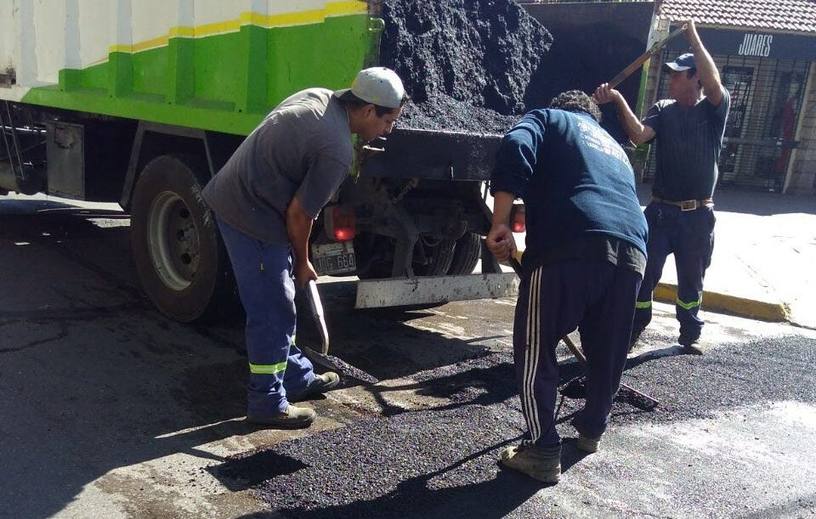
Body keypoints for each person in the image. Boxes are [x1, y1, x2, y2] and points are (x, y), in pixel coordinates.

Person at [202, 67, 406, 428]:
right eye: (389, 120)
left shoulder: (322, 96)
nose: (389, 130)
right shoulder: (337, 149)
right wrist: (302, 260)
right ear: (368, 110)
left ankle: (296, 376)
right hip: (250, 214)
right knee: (273, 307)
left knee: (279, 302)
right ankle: (266, 401)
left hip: (248, 195)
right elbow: (300, 214)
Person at [487, 90, 648, 483]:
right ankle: (592, 430)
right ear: (594, 117)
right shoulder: (613, 146)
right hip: (633, 250)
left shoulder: (549, 117)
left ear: (564, 108)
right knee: (607, 347)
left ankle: (542, 450)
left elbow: (515, 143)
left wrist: (500, 222)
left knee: (535, 345)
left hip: (572, 241)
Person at [594, 20, 730, 354]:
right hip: (660, 213)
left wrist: (693, 37)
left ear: (695, 77)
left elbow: (715, 84)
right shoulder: (664, 110)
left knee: (691, 281)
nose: (670, 79)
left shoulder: (714, 110)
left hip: (697, 216)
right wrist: (616, 100)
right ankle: (635, 327)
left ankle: (688, 334)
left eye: (677, 74)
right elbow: (639, 135)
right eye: (670, 73)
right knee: (642, 273)